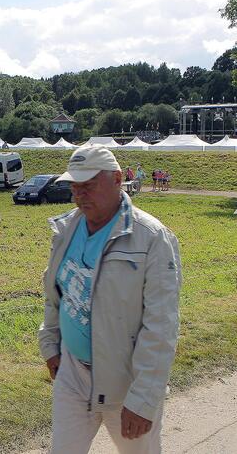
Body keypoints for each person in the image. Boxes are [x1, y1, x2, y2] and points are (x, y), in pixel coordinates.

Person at [38, 146, 181, 454]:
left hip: (126, 381)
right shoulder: (66, 229)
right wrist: (50, 344)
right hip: (73, 375)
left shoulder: (152, 238)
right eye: (74, 186)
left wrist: (143, 399)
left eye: (88, 185)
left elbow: (161, 325)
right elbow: (57, 292)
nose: (79, 194)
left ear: (117, 179)